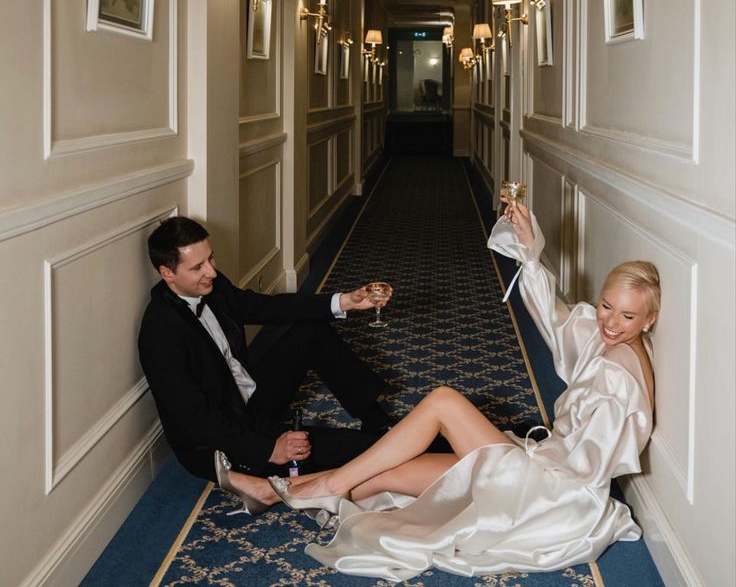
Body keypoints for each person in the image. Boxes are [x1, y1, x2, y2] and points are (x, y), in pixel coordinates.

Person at [215, 199, 660, 580]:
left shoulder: (618, 380)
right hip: (536, 464)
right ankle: (272, 491)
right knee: (384, 474)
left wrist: (529, 462)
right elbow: (554, 316)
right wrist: (528, 248)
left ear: (648, 321)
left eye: (626, 316)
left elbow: (586, 470)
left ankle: (325, 484)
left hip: (549, 491)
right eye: (606, 306)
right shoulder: (606, 337)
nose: (609, 322)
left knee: (444, 400)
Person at [138, 216, 394, 490]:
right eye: (198, 267)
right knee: (372, 452)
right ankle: (398, 442)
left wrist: (345, 301)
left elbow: (264, 307)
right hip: (228, 436)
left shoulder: (207, 284)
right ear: (168, 274)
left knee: (311, 331)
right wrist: (268, 449)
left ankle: (378, 422)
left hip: (248, 396)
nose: (211, 272)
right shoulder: (160, 332)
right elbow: (195, 421)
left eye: (211, 259)